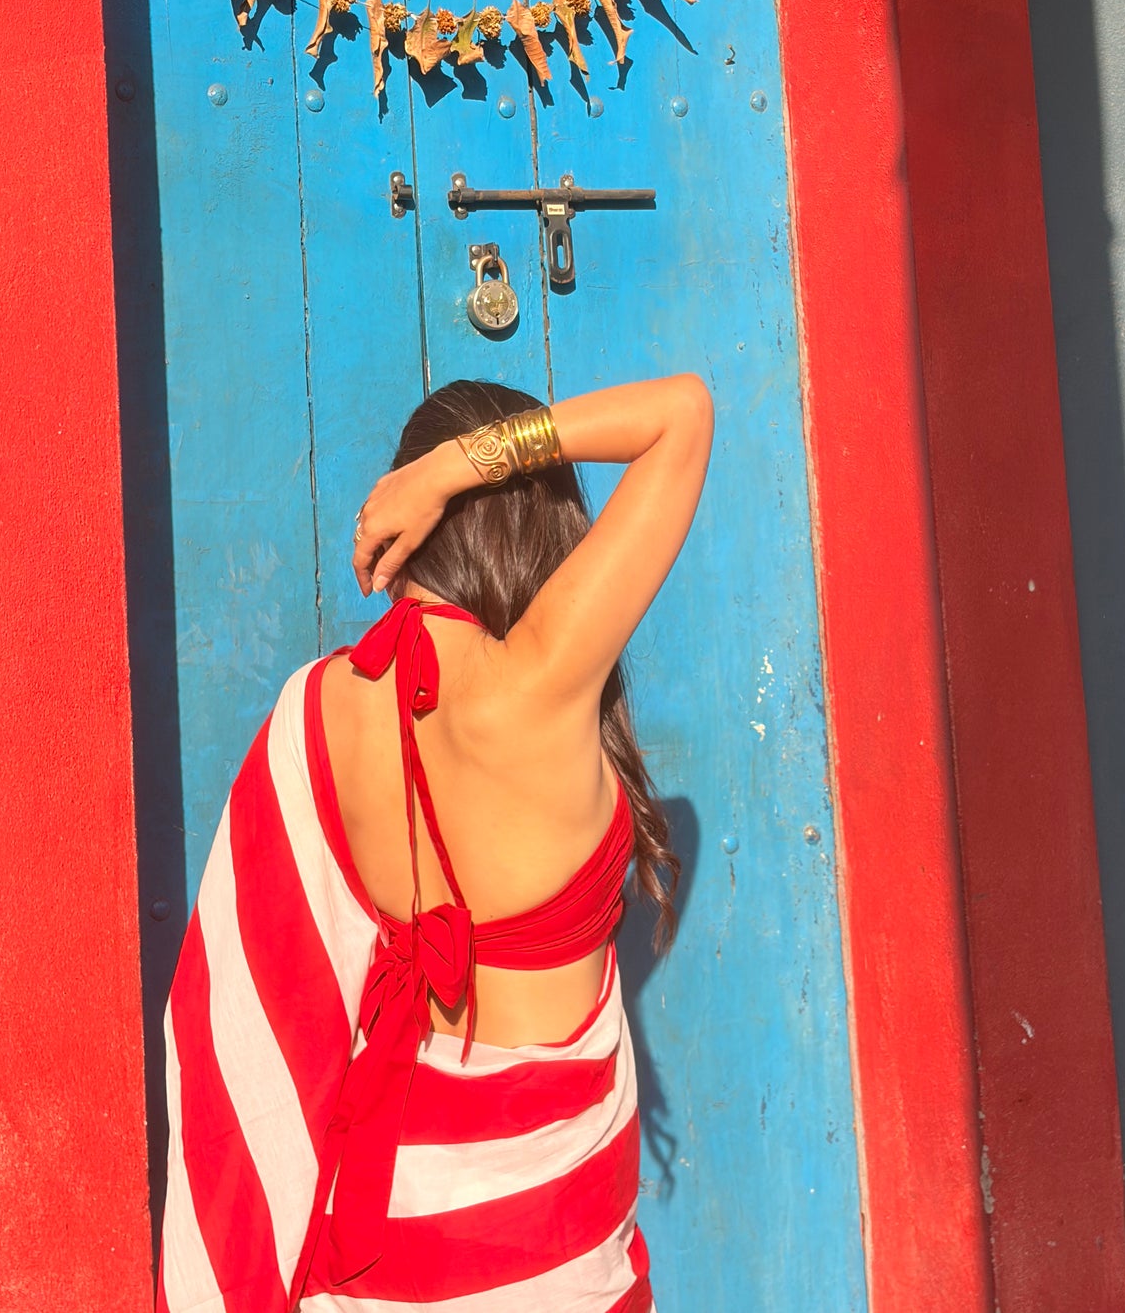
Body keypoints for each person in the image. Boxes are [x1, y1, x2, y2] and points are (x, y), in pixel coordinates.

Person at [157, 374, 714, 1313]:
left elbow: (263, 986)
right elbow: (683, 413)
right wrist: (456, 468)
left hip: (383, 1239)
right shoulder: (539, 682)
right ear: (534, 520)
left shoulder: (319, 704)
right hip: (546, 1246)